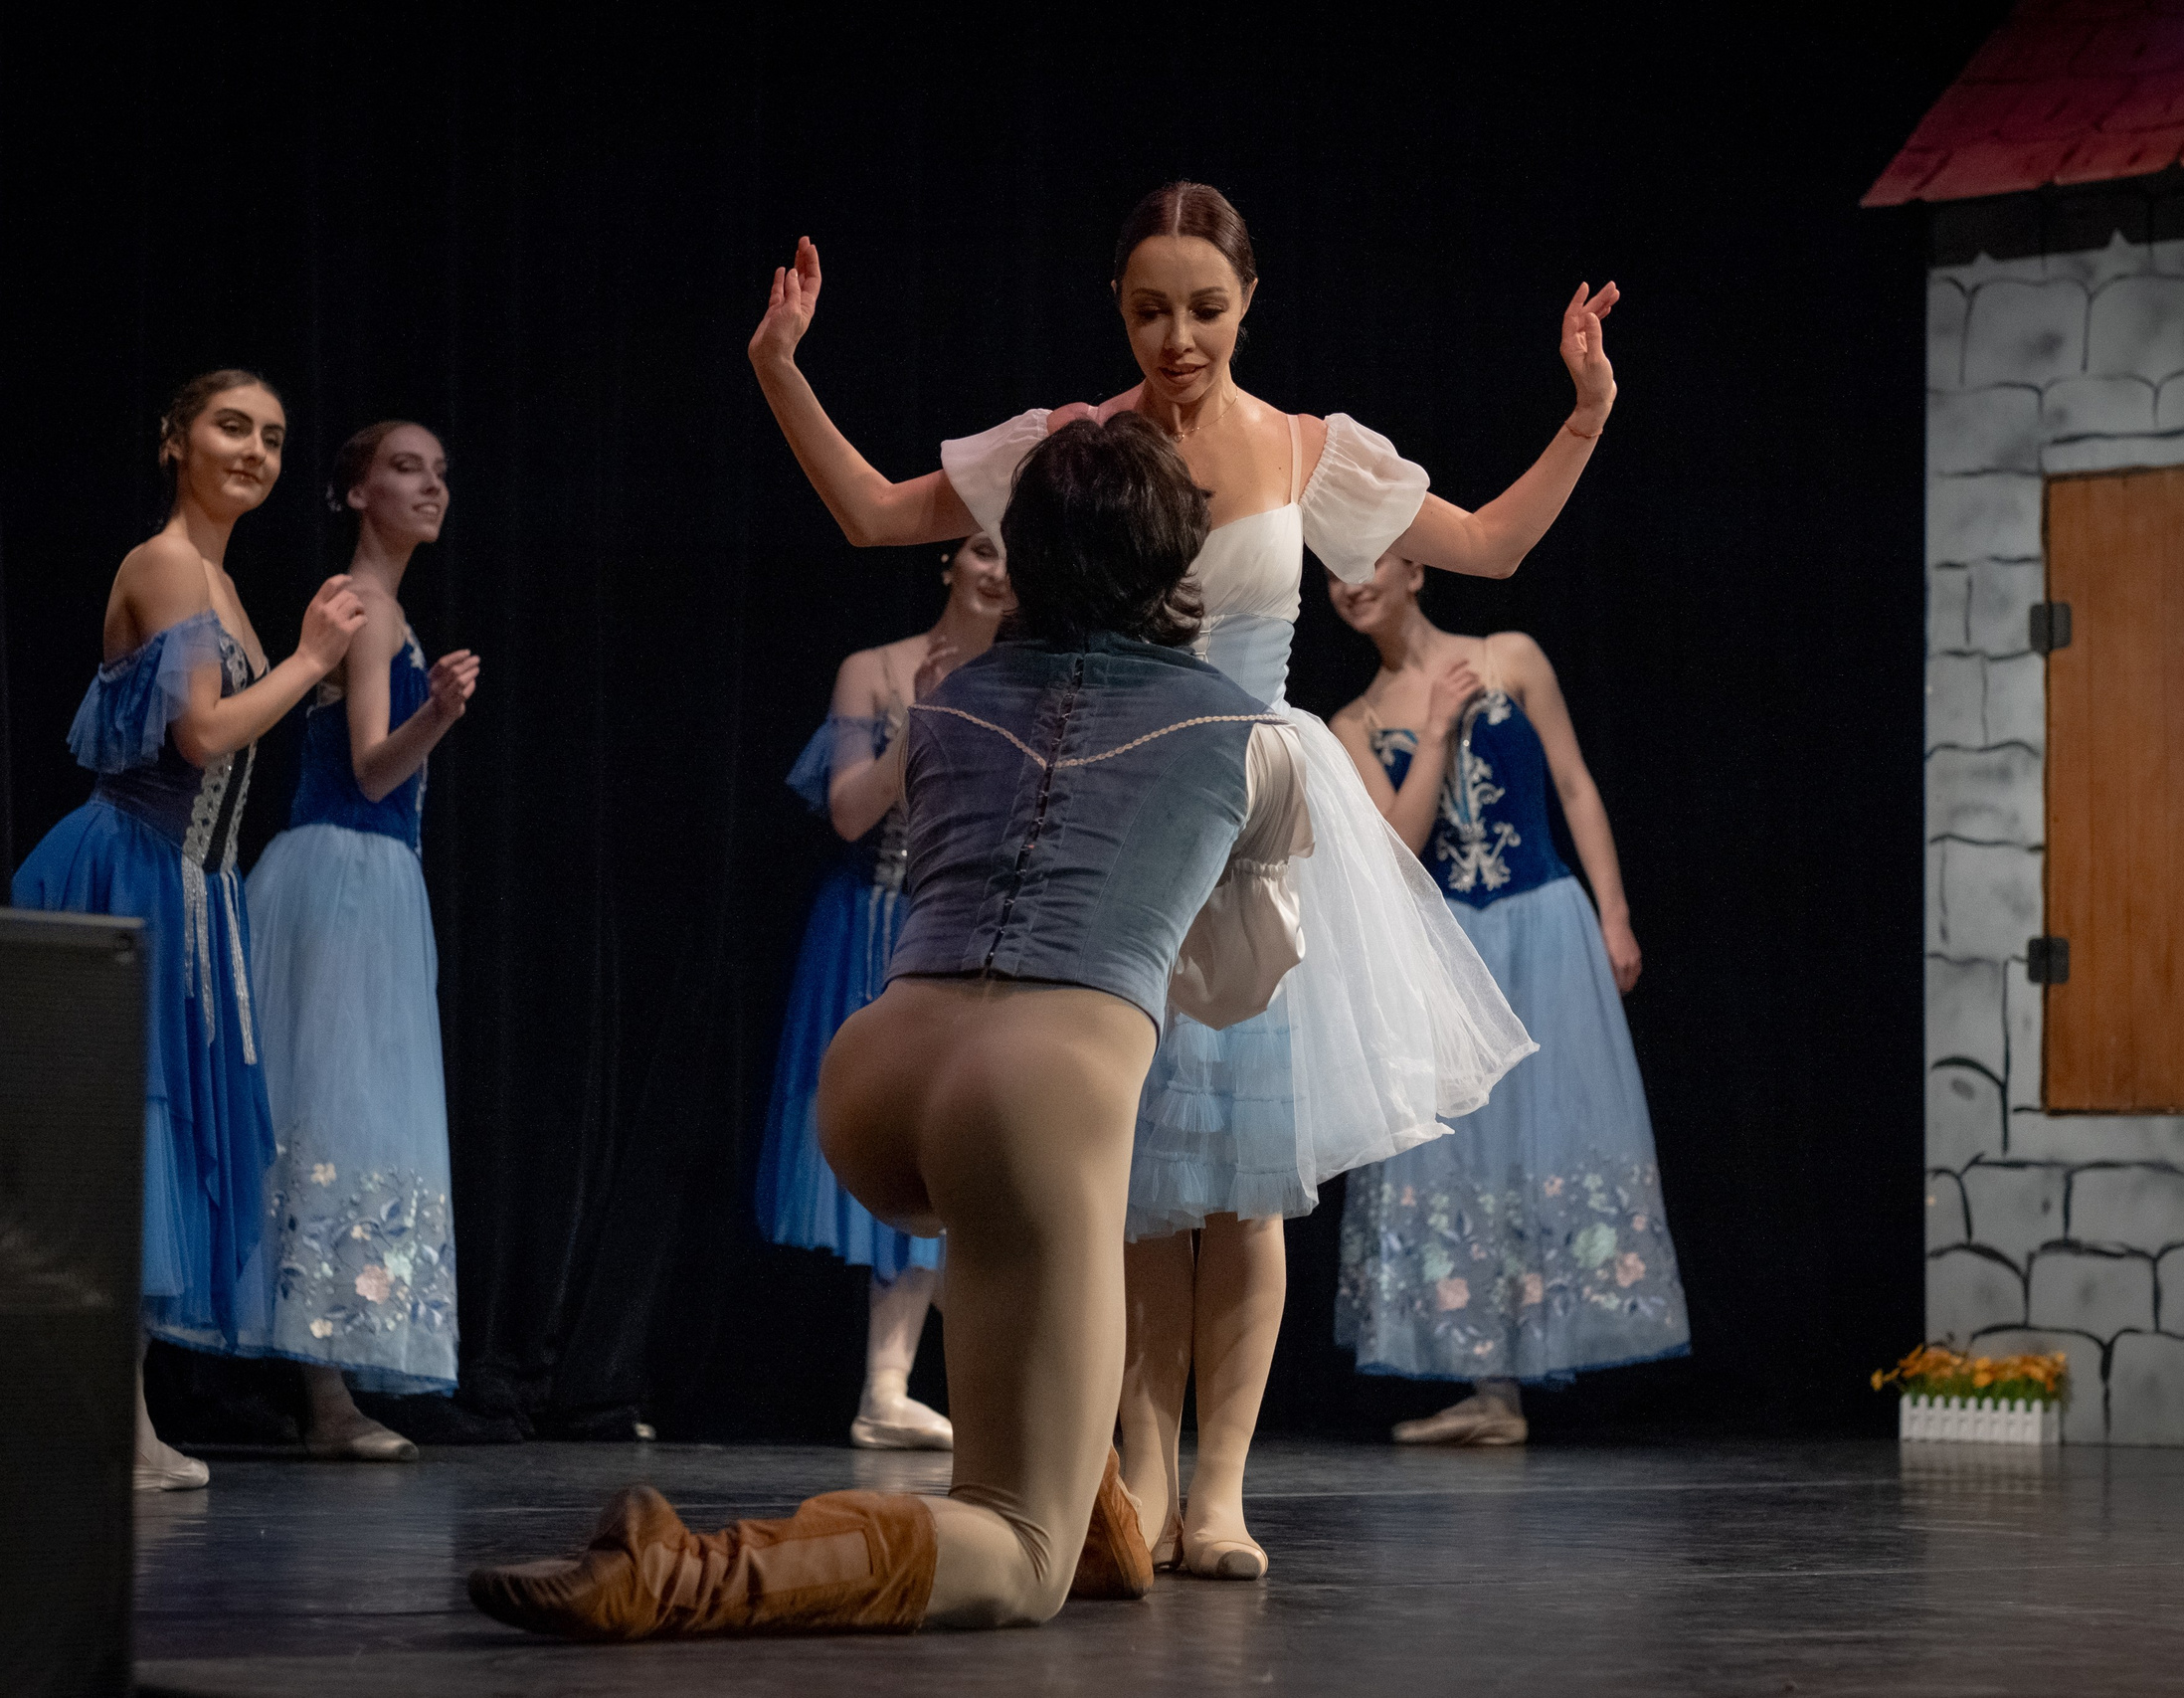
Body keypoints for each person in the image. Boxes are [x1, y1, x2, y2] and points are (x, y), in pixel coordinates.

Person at [743, 180, 1616, 1576]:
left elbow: (1492, 544)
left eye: (1204, 307)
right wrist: (781, 367)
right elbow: (871, 513)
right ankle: (1136, 1476)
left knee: (1247, 1179)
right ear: (1118, 308)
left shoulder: (1307, 450)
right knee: (1135, 1173)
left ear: (1250, 301)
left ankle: (1221, 1489)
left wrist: (1582, 411)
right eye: (1150, 308)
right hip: (1109, 802)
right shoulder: (1070, 447)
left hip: (1253, 801)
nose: (1178, 335)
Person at [468, 412, 1312, 1638]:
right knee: (1018, 1556)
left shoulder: (947, 702)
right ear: (1183, 564)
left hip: (874, 1070)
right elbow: (1233, 984)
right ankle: (687, 1573)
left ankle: (1091, 1510)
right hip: (1033, 1098)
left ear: (1017, 558)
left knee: (1081, 1522)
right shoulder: (1254, 743)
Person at [14, 369, 367, 1491]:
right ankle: (111, 1419)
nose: (254, 450)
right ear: (175, 440)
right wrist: (312, 660)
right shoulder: (167, 563)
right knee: (133, 1135)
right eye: (231, 427)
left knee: (159, 1136)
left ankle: (125, 1413)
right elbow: (204, 732)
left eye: (271, 436)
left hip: (196, 888)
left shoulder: (216, 577)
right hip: (134, 875)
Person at [1325, 552, 1689, 1442]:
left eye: (1365, 561)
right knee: (1461, 1144)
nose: (1349, 583)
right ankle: (1492, 1390)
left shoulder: (1509, 655)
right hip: (1446, 943)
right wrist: (1439, 728)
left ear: (1413, 567)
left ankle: (1527, 1370)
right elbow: (1397, 855)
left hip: (1543, 923)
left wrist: (1614, 912)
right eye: (1331, 573)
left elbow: (1573, 784)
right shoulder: (1354, 722)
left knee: (1550, 1123)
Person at [245, 421, 479, 1460]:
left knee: (332, 1114)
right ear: (352, 493)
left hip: (360, 875)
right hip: (346, 873)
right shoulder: (367, 604)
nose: (428, 486)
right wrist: (439, 714)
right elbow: (378, 768)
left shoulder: (379, 603)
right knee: (333, 1115)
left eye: (437, 473)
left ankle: (325, 1388)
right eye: (402, 468)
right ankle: (327, 1399)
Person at [758, 533, 1011, 1449]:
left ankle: (925, 1383)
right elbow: (850, 808)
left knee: (975, 1162)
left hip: (974, 931)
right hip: (879, 925)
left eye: (1019, 552)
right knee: (908, 1156)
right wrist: (925, 719)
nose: (999, 568)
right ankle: (886, 1384)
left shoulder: (1025, 680)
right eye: (984, 547)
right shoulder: (875, 670)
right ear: (948, 561)